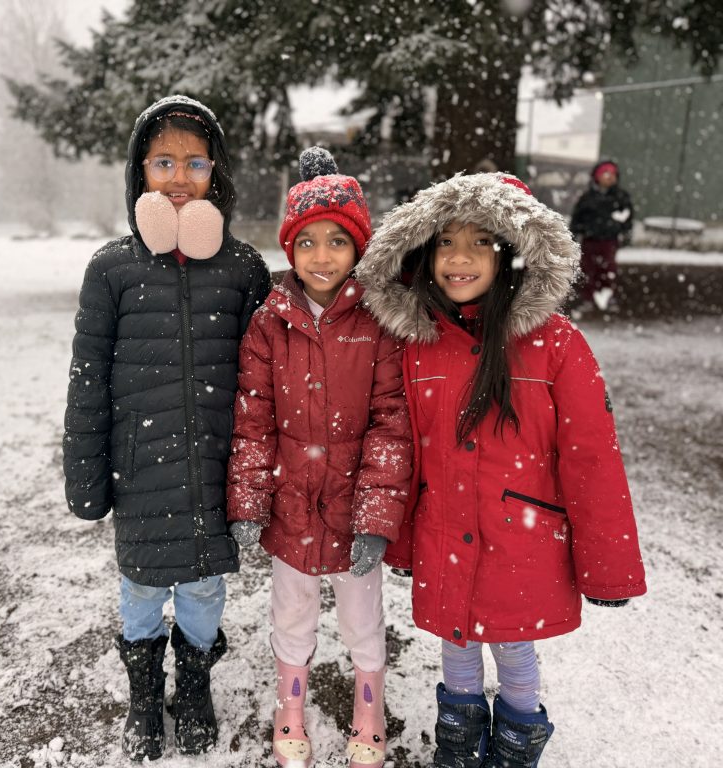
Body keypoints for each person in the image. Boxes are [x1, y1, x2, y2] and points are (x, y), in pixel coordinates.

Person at [357, 172, 647, 767]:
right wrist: (405, 541)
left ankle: (516, 744)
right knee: (456, 646)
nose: (459, 258)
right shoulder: (419, 345)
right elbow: (409, 452)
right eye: (446, 242)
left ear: (511, 253)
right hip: (445, 536)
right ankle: (460, 741)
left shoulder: (555, 344)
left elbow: (591, 459)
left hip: (521, 543)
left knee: (514, 651)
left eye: (480, 242)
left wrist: (608, 568)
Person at [62, 94, 271, 762]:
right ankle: (146, 693)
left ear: (217, 173)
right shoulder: (112, 269)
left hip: (214, 466)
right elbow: (87, 380)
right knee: (144, 585)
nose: (180, 177)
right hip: (140, 468)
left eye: (196, 162)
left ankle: (196, 684)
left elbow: (267, 378)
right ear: (140, 172)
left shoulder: (242, 268)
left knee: (205, 584)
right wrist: (85, 475)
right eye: (163, 162)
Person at [227, 147, 413, 768]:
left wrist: (376, 517)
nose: (322, 256)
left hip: (354, 509)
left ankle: (369, 707)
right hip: (291, 507)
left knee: (362, 618)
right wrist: (249, 502)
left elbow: (391, 425)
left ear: (358, 248)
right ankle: (291, 706)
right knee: (293, 613)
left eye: (337, 241)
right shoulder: (268, 323)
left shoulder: (378, 323)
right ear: (290, 249)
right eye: (307, 242)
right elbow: (253, 422)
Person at [569, 159, 633, 313]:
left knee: (608, 268)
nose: (609, 177)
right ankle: (588, 297)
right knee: (588, 269)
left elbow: (628, 217)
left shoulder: (620, 197)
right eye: (605, 173)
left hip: (609, 240)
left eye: (612, 174)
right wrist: (575, 232)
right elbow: (577, 217)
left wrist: (625, 233)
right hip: (589, 240)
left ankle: (607, 295)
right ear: (597, 176)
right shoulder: (587, 198)